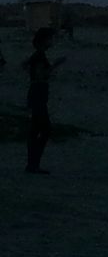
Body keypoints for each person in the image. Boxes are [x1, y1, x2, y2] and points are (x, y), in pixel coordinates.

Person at [22, 28, 65, 174]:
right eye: (50, 39)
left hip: (36, 94)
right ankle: (33, 164)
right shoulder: (40, 56)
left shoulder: (37, 55)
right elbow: (41, 75)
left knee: (36, 129)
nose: (52, 41)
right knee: (44, 129)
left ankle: (32, 164)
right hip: (38, 94)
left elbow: (26, 66)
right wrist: (55, 65)